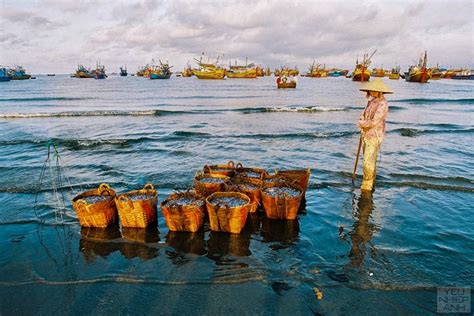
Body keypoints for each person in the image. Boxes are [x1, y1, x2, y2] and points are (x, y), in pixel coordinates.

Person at [357, 78, 393, 192]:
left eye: (374, 90)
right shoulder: (372, 101)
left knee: (368, 161)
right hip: (366, 135)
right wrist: (362, 120)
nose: (372, 92)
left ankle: (367, 186)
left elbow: (374, 122)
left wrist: (361, 123)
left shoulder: (382, 104)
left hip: (374, 136)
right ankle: (369, 182)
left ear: (380, 91)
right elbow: (365, 116)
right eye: (370, 90)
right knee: (369, 160)